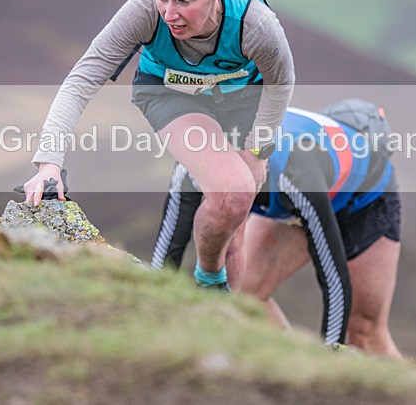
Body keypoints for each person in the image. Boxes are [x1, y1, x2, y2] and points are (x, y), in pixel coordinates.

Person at [23, 0, 295, 290]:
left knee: (235, 215)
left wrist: (259, 149)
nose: (169, 13)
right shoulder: (144, 9)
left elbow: (281, 84)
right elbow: (81, 80)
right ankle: (209, 279)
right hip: (171, 95)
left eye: (184, 0)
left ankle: (226, 324)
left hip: (245, 100)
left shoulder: (255, 24)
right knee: (234, 190)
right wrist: (49, 165)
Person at [152, 99, 402, 357]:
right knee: (247, 293)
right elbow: (170, 244)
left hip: (366, 199)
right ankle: (291, 363)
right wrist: (153, 309)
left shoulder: (294, 177)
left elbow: (333, 277)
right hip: (306, 183)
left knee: (364, 331)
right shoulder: (195, 162)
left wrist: (331, 355)